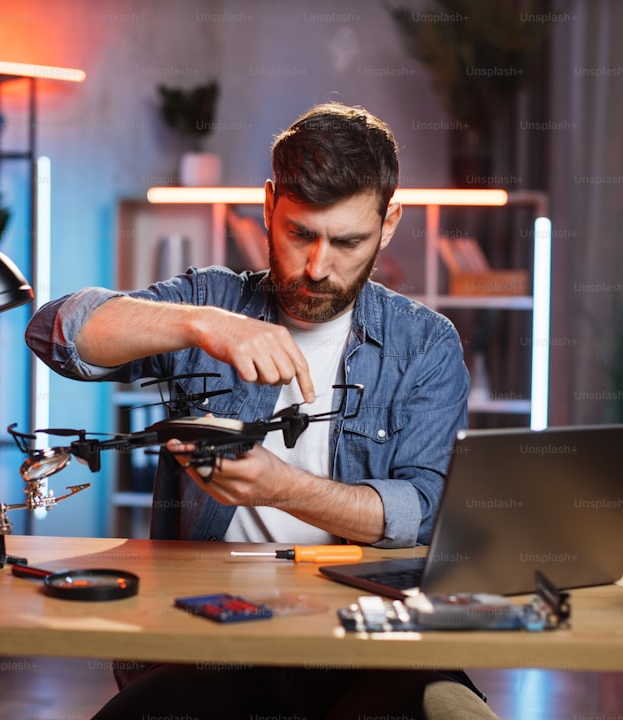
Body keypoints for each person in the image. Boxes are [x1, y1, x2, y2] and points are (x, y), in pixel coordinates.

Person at [26, 102, 495, 720]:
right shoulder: (212, 299)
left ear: (390, 223)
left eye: (348, 241)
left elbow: (423, 513)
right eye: (299, 233)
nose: (317, 266)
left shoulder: (425, 343)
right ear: (269, 205)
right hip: (213, 635)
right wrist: (203, 325)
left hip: (373, 639)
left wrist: (280, 488)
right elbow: (56, 333)